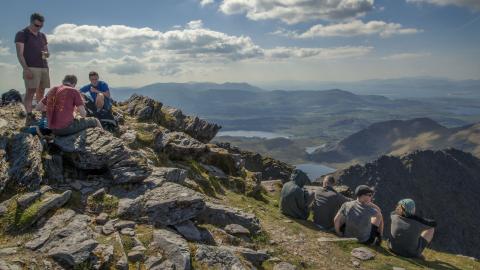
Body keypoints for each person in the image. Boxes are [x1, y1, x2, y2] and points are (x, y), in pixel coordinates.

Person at [15, 13, 50, 125]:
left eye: (41, 26)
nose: (38, 27)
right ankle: (29, 116)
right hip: (31, 67)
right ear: (30, 22)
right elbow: (20, 54)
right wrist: (26, 69)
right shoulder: (22, 34)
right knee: (30, 92)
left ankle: (42, 114)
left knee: (41, 90)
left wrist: (46, 54)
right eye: (36, 25)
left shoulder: (42, 36)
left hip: (44, 67)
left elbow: (46, 52)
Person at [36, 75, 101, 136]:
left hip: (52, 129)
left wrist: (51, 109)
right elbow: (83, 114)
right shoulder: (74, 91)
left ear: (63, 82)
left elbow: (38, 107)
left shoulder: (52, 89)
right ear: (74, 84)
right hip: (66, 128)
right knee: (95, 120)